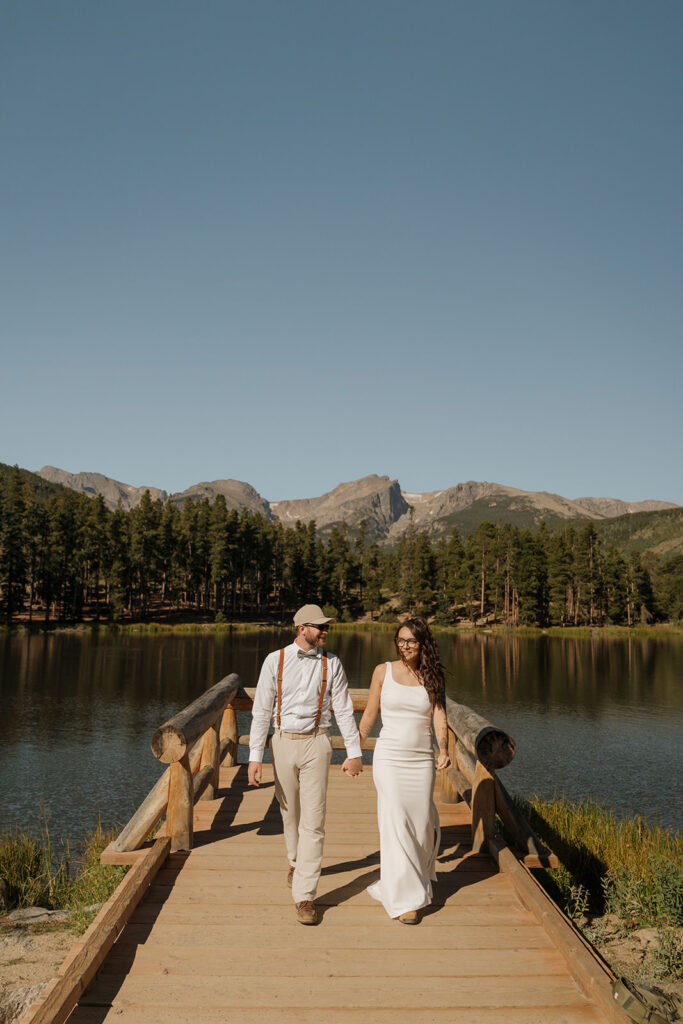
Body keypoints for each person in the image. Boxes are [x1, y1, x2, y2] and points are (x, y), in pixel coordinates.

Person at [248, 604, 363, 925]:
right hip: (282, 741)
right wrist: (255, 756)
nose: (326, 631)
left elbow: (343, 708)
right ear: (301, 628)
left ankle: (305, 896)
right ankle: (295, 861)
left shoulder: (333, 663)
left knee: (314, 819)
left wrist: (354, 752)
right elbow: (261, 711)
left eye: (327, 627)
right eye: (320, 627)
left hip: (318, 742)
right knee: (290, 813)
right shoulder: (276, 660)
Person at [358, 617, 450, 924]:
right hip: (389, 758)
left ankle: (410, 879)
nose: (404, 646)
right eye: (400, 640)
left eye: (411, 641)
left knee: (420, 823)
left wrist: (444, 749)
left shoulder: (432, 675)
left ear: (423, 643)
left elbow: (439, 714)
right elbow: (370, 711)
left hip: (421, 760)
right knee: (395, 822)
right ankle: (406, 900)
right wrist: (356, 747)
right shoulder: (383, 671)